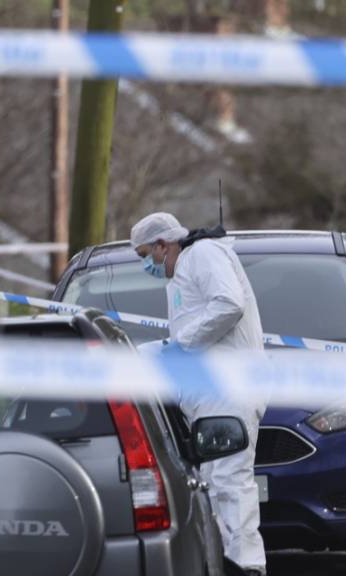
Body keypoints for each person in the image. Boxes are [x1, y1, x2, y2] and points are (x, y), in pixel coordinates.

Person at [131, 212, 267, 576]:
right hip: (211, 396)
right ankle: (226, 565)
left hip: (229, 390)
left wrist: (182, 345)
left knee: (230, 485)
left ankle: (247, 567)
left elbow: (229, 304)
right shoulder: (183, 272)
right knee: (217, 487)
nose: (146, 265)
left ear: (162, 244)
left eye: (145, 255)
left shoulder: (203, 254)